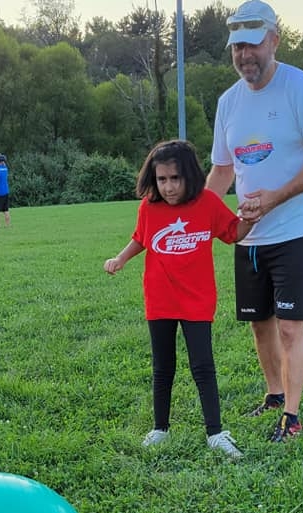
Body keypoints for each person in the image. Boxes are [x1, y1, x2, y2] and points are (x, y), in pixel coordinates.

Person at [206, 0, 303, 442]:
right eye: (236, 48)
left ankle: (294, 417)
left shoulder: (300, 88)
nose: (244, 55)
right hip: (248, 236)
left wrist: (278, 197)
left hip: (292, 230)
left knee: (288, 325)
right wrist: (199, 215)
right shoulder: (228, 103)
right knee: (259, 322)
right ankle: (274, 395)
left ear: (274, 41)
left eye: (252, 45)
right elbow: (223, 169)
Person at [103, 139, 252, 459]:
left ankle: (215, 432)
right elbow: (140, 239)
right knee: (163, 366)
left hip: (197, 299)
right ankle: (160, 429)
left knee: (203, 366)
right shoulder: (149, 208)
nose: (168, 187)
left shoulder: (208, 203)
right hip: (160, 298)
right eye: (161, 179)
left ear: (189, 176)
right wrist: (120, 259)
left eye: (175, 178)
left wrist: (251, 216)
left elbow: (233, 234)